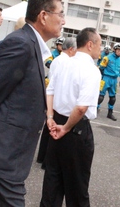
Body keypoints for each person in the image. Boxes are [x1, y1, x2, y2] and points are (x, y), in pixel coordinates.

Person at [0, 0, 65, 206]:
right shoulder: (20, 43)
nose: (64, 21)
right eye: (61, 14)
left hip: (5, 155)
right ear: (44, 16)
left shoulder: (33, 45)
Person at [40, 27, 101, 207]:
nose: (101, 49)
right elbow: (81, 108)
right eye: (99, 44)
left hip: (56, 124)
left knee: (52, 184)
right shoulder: (91, 70)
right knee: (77, 189)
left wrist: (50, 117)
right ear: (90, 44)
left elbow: (49, 90)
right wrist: (66, 128)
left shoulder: (62, 62)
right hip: (75, 129)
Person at [36, 37, 77, 168]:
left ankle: (41, 157)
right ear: (70, 49)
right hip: (57, 99)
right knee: (54, 130)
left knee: (47, 130)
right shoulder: (67, 62)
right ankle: (47, 162)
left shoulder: (57, 59)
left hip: (50, 97)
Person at [97, 43, 120, 121]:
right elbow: (101, 68)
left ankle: (110, 113)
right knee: (101, 97)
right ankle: (95, 110)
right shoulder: (107, 58)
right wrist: (101, 78)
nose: (119, 52)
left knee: (113, 98)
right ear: (115, 50)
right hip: (106, 78)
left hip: (114, 80)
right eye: (118, 50)